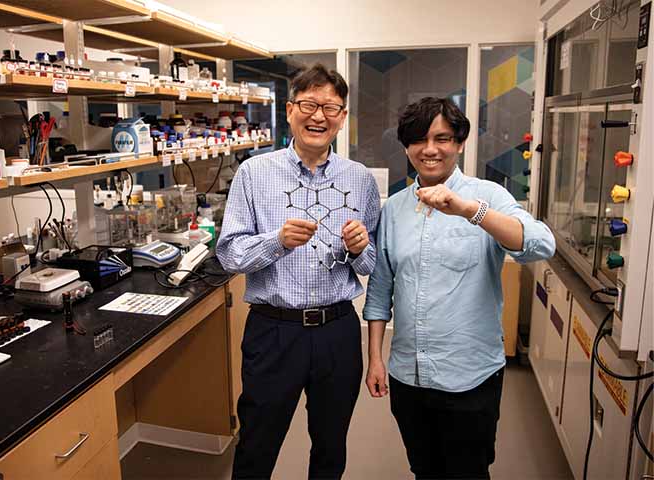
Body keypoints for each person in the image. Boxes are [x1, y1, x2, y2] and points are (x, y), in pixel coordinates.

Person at [363, 97, 555, 480]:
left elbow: (540, 244)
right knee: (424, 468)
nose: (430, 149)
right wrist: (375, 358)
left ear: (460, 143)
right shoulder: (395, 209)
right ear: (406, 146)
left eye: (442, 138)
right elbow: (380, 288)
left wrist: (469, 210)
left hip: (469, 377)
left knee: (468, 471)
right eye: (419, 139)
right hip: (408, 376)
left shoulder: (488, 196)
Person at [217, 63, 381, 480]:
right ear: (290, 109)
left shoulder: (359, 180)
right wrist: (277, 241)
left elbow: (372, 263)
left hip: (338, 331)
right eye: (309, 104)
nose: (319, 116)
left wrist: (361, 249)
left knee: (331, 445)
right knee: (257, 443)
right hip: (274, 332)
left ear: (343, 117)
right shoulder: (254, 173)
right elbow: (230, 255)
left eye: (331, 107)